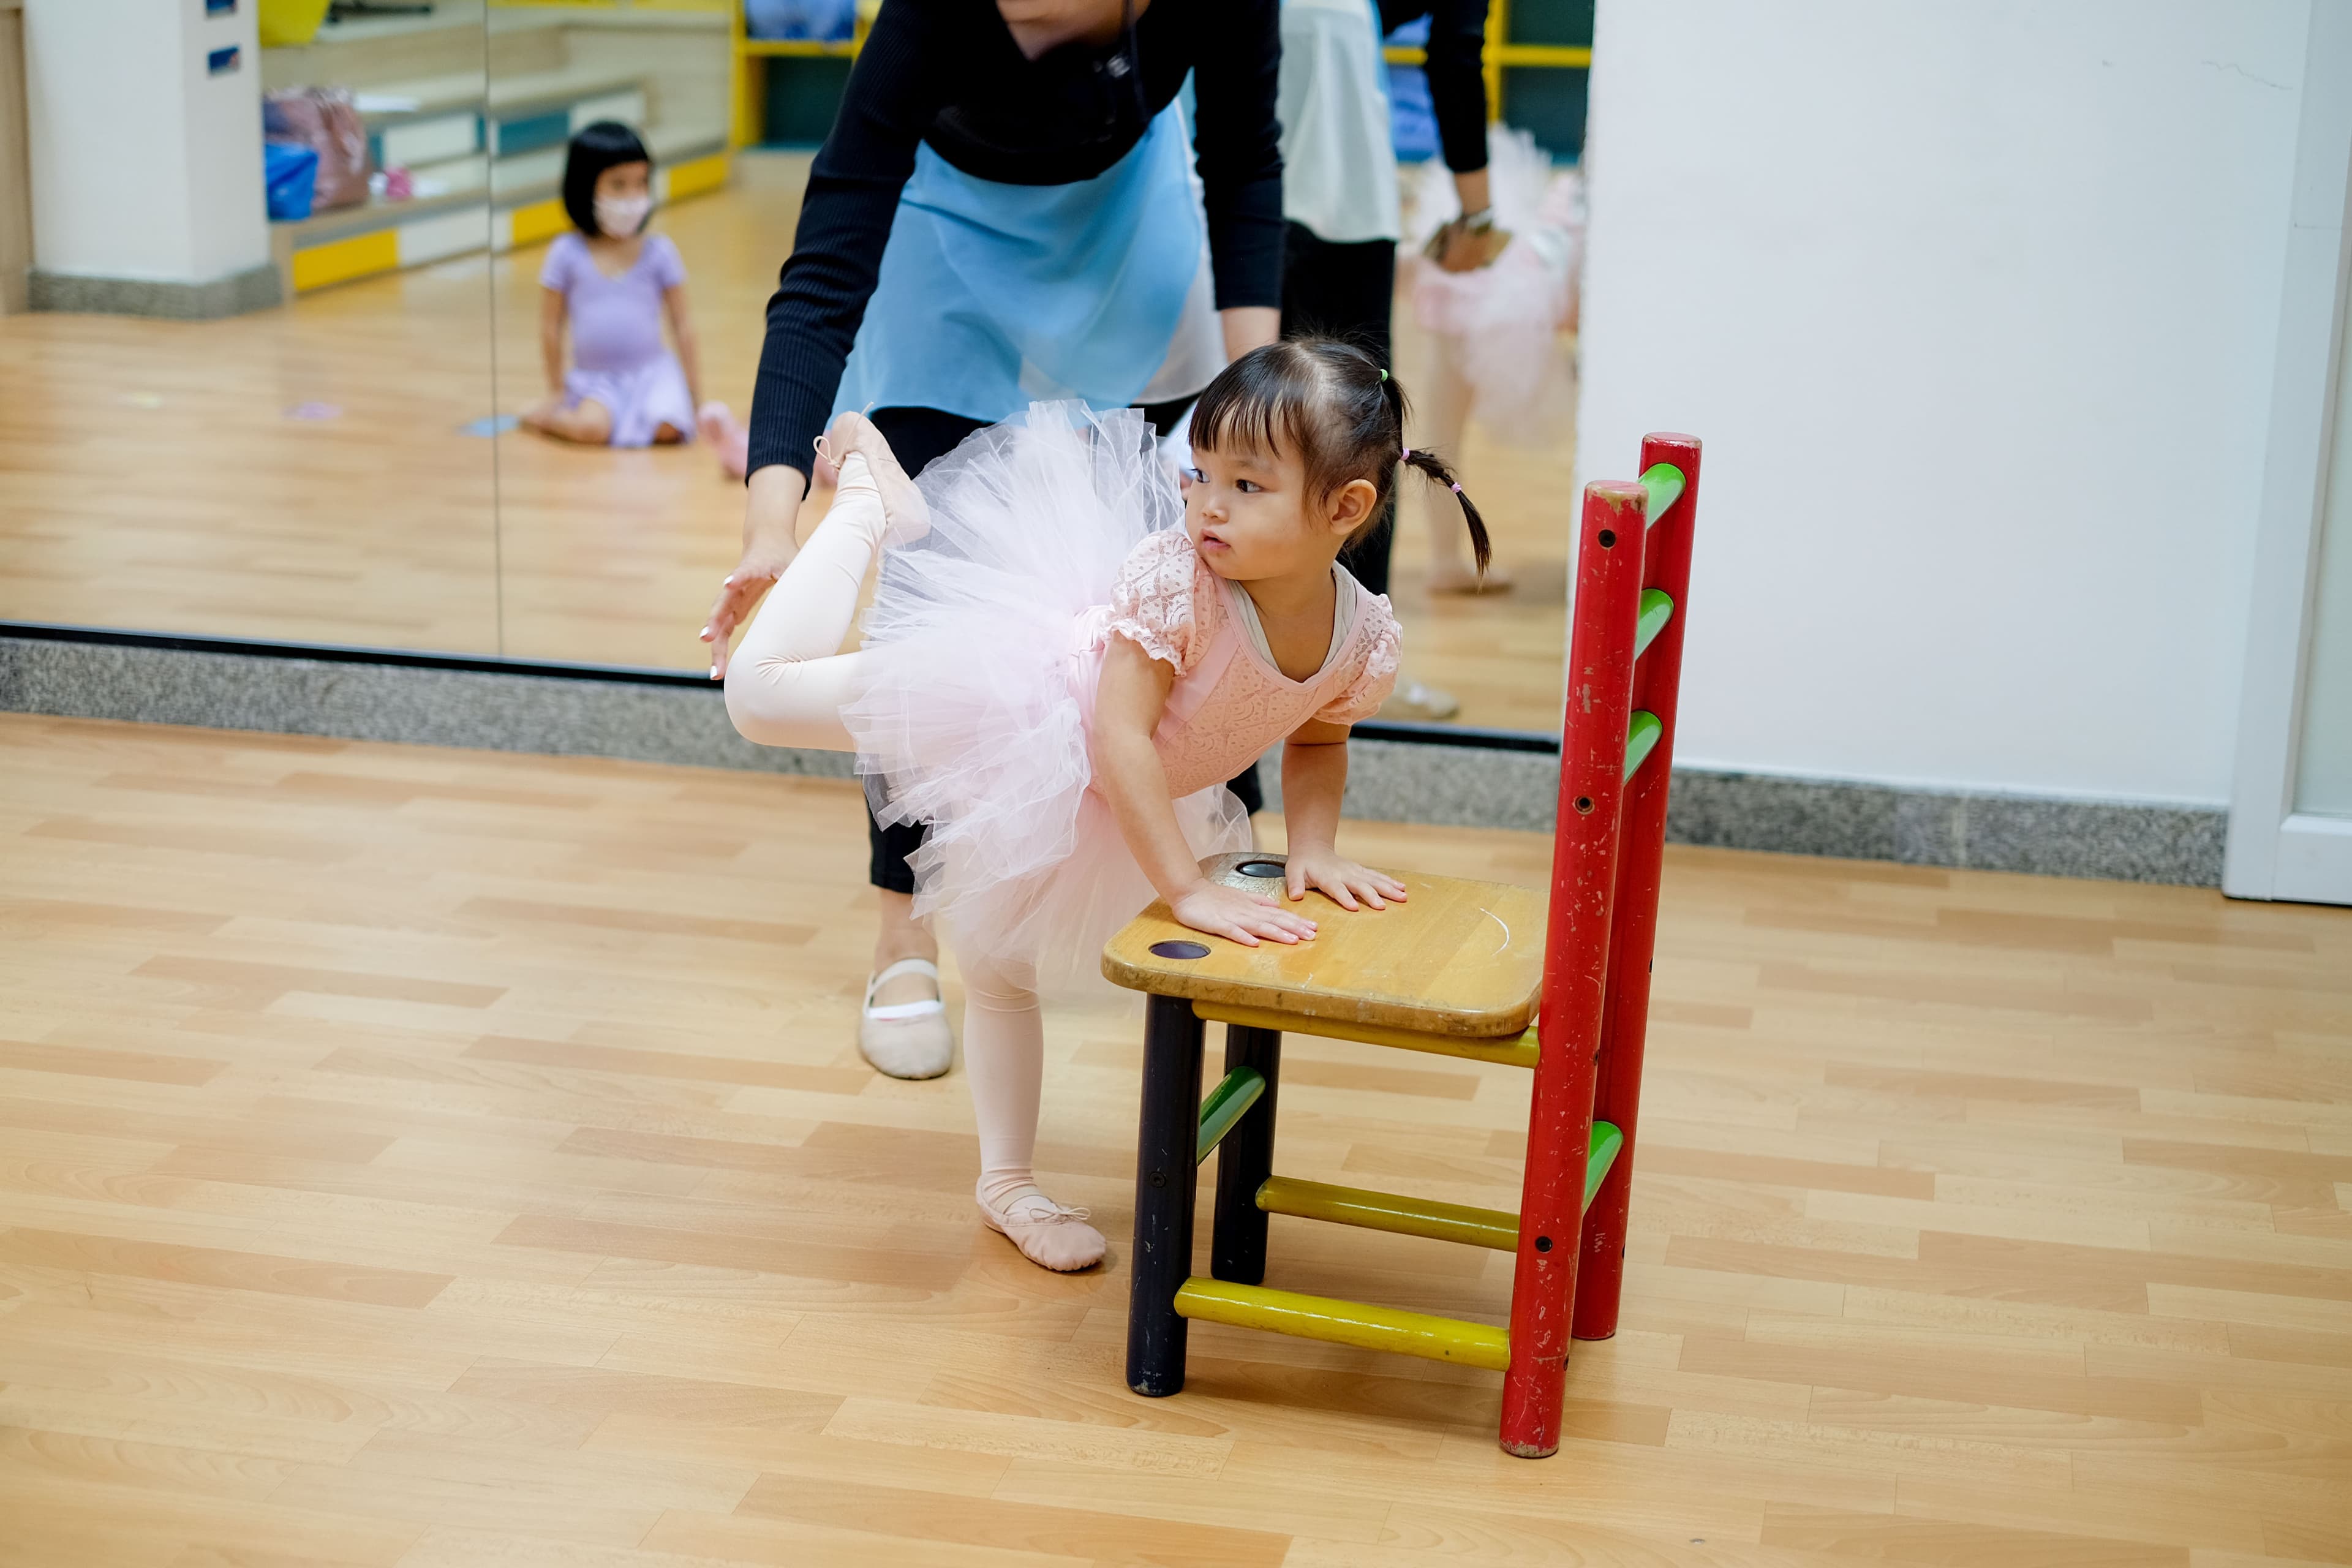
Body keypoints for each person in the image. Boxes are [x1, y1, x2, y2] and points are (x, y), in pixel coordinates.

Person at [721, 341, 1487, 1270]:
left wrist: (1313, 846)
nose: (1207, 501)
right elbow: (1120, 735)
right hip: (1021, 701)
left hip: (1115, 786)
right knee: (760, 696)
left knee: (1001, 966)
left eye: (1246, 486)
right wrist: (1183, 886)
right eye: (1201, 472)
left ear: (1346, 509)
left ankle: (1004, 1183)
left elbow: (1320, 736)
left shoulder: (1362, 635)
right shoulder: (1181, 582)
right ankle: (867, 509)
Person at [701, 0, 1286, 1084]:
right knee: (935, 608)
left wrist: (1268, 415)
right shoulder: (936, 11)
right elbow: (825, 270)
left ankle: (1195, 862)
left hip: (1129, 242)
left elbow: (1247, 163)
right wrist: (770, 526)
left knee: (1184, 586)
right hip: (946, 250)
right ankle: (903, 935)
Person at [1273, 0, 1502, 720]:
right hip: (1301, 184)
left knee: (1327, 433)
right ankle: (1337, 674)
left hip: (1259, 180)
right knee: (1348, 434)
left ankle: (1341, 670)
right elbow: (1457, 53)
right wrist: (1477, 216)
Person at [522, 122, 742, 454]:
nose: (633, 197)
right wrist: (555, 390)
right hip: (596, 382)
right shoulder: (566, 253)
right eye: (618, 186)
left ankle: (637, 420)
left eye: (641, 184)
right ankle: (542, 419)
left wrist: (694, 394)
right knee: (590, 429)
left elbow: (682, 325)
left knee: (670, 428)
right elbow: (550, 327)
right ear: (585, 187)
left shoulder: (659, 251)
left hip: (652, 374)